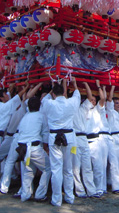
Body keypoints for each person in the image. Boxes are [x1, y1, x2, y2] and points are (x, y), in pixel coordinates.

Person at [41, 77, 80, 207]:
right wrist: (74, 83)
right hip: (69, 137)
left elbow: (44, 100)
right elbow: (77, 94)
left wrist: (53, 85)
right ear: (64, 93)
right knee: (68, 168)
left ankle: (57, 199)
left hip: (54, 137)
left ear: (53, 94)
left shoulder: (49, 103)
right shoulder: (71, 103)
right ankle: (69, 197)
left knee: (56, 169)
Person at [16, 94, 51, 202]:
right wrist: (46, 147)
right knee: (47, 168)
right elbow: (45, 133)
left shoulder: (25, 116)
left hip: (22, 148)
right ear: (40, 106)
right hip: (35, 148)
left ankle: (25, 195)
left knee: (28, 171)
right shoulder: (41, 116)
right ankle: (40, 194)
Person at [72, 82, 99, 199]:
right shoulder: (68, 108)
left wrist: (84, 84)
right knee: (76, 166)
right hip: (73, 139)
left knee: (87, 166)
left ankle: (91, 190)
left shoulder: (83, 108)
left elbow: (89, 96)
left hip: (83, 138)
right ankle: (80, 191)